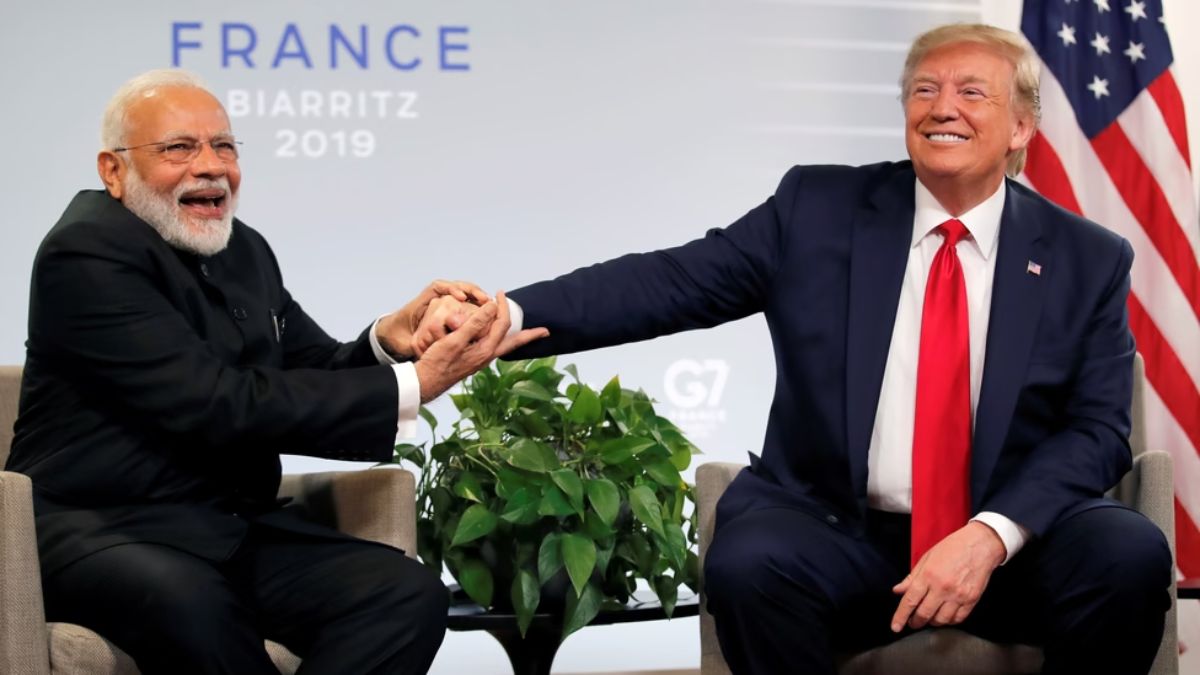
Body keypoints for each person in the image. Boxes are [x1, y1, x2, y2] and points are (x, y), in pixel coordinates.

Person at [425, 22, 1174, 675]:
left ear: (1020, 127)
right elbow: (668, 281)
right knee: (750, 564)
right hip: (843, 533)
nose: (942, 107)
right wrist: (507, 315)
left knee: (1128, 554)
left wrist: (989, 535)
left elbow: (1097, 430)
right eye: (924, 90)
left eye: (972, 92)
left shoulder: (1086, 258)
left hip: (1012, 544)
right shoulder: (817, 210)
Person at [5, 69, 545, 675]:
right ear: (113, 170)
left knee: (404, 594)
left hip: (225, 528)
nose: (211, 167)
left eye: (224, 146)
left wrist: (390, 340)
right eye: (179, 148)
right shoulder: (84, 252)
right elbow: (214, 402)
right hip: (98, 527)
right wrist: (416, 384)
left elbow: (312, 367)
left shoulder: (243, 248)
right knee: (194, 604)